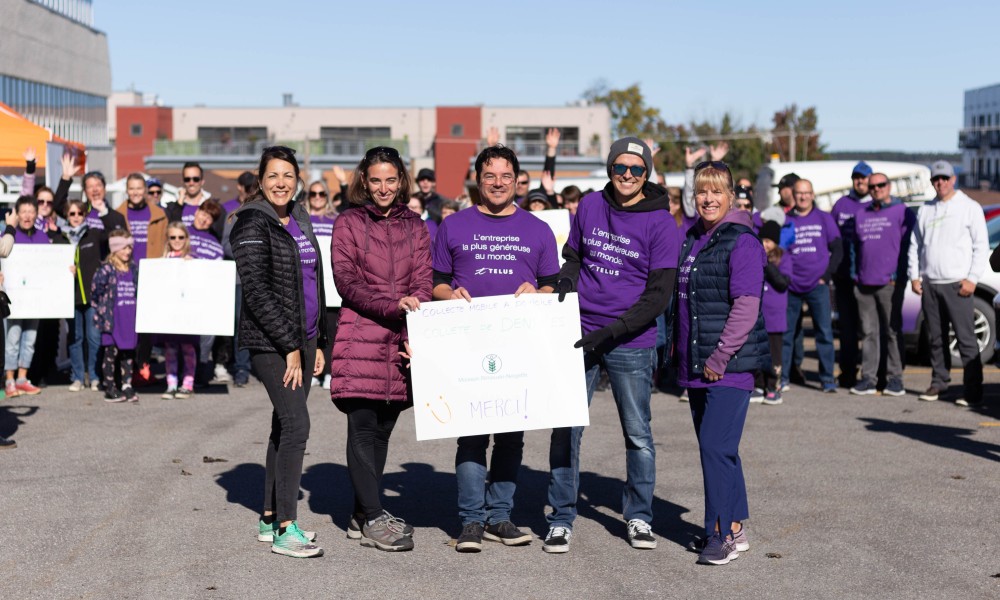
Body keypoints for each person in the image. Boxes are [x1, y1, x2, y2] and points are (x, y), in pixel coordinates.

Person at [547, 138, 678, 553]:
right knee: (567, 428)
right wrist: (567, 280)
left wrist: (612, 332)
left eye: (636, 169)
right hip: (579, 332)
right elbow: (574, 255)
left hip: (631, 340)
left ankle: (639, 516)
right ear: (609, 167)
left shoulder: (661, 224)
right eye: (619, 167)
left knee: (638, 433)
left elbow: (658, 297)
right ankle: (561, 516)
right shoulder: (589, 205)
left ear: (647, 174)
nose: (626, 175)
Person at [433, 144, 559, 553]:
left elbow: (553, 285)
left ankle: (499, 517)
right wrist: (449, 294)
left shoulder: (537, 229)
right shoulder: (453, 226)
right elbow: (435, 282)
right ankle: (471, 521)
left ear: (518, 180)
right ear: (478, 179)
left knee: (510, 436)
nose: (498, 183)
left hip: (518, 347)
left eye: (506, 176)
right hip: (467, 344)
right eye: (490, 176)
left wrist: (536, 290)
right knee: (471, 435)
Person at [329, 146, 430, 552]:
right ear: (364, 182)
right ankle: (372, 517)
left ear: (401, 180)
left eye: (391, 179)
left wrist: (414, 315)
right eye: (376, 180)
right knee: (362, 426)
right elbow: (346, 283)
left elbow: (424, 278)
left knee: (385, 430)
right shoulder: (348, 222)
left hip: (400, 341)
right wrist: (393, 305)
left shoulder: (417, 226)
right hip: (360, 337)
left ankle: (359, 512)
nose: (384, 187)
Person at [231, 145, 327, 558]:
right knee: (297, 426)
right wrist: (290, 347)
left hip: (304, 340)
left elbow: (313, 283)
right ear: (260, 178)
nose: (281, 183)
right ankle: (288, 528)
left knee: (283, 426)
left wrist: (317, 341)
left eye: (288, 175)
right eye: (273, 175)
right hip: (271, 343)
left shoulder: (299, 219)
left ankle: (270, 517)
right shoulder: (251, 222)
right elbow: (256, 292)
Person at [670, 161, 768, 566]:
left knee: (714, 446)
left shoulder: (741, 241)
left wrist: (720, 356)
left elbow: (746, 305)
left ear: (731, 196)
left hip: (728, 365)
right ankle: (737, 526)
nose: (707, 199)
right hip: (696, 364)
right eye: (701, 192)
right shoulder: (691, 238)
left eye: (716, 192)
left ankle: (720, 533)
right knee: (721, 449)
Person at [907, 161, 988, 406]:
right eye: (935, 179)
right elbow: (915, 245)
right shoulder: (926, 209)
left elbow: (980, 246)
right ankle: (939, 382)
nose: (939, 183)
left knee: (965, 338)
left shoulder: (969, 207)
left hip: (957, 284)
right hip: (931, 283)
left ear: (953, 179)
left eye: (944, 178)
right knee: (935, 338)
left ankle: (972, 391)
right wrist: (915, 275)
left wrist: (972, 278)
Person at [850, 173, 914, 397]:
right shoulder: (861, 213)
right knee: (868, 333)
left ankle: (895, 379)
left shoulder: (902, 211)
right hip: (864, 282)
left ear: (889, 186)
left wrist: (900, 275)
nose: (877, 189)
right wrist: (854, 274)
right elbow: (853, 248)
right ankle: (868, 378)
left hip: (890, 282)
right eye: (873, 186)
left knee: (892, 332)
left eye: (881, 185)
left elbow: (909, 247)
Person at [782, 179, 841, 393]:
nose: (803, 197)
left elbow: (837, 248)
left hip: (818, 286)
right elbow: (781, 252)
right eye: (799, 193)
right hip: (792, 286)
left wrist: (826, 276)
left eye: (807, 193)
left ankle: (827, 379)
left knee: (824, 333)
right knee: (787, 334)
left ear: (813, 194)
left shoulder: (824, 219)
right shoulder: (787, 221)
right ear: (793, 195)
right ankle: (783, 378)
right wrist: (785, 277)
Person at [5, 196, 52, 397]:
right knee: (13, 338)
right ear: (17, 214)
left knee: (30, 339)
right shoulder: (8, 235)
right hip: (14, 297)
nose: (27, 215)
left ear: (36, 214)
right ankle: (9, 381)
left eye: (31, 211)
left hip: (35, 299)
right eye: (23, 211)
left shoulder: (43, 237)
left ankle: (23, 378)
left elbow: (52, 264)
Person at [830, 161, 872, 388]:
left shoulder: (875, 205)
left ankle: (871, 374)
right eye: (857, 177)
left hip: (867, 278)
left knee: (868, 328)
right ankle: (847, 372)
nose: (860, 181)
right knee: (847, 328)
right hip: (844, 276)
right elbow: (832, 240)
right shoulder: (841, 205)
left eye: (864, 178)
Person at [62, 198, 107, 392]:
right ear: (66, 216)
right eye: (72, 214)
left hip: (92, 295)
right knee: (75, 338)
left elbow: (113, 234)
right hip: (70, 297)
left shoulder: (94, 235)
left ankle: (95, 376)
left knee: (94, 337)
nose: (76, 217)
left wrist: (103, 212)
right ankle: (78, 377)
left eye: (80, 213)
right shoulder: (61, 238)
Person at [91, 230, 140, 403]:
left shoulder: (134, 269)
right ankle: (110, 386)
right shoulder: (106, 270)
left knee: (128, 353)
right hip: (113, 320)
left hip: (129, 318)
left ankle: (127, 384)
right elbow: (95, 292)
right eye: (124, 248)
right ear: (115, 249)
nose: (128, 252)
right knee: (111, 353)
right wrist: (103, 313)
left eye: (130, 248)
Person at [159, 222, 199, 399]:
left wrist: (193, 265)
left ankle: (188, 384)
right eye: (172, 237)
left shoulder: (193, 258)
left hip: (187, 312)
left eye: (180, 237)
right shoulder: (164, 259)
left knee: (188, 348)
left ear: (186, 239)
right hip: (169, 312)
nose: (176, 241)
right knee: (170, 349)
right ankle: (171, 384)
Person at [305, 179, 339, 388]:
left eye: (321, 194)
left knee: (330, 330)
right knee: (310, 328)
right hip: (308, 282)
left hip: (332, 286)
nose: (317, 198)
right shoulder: (301, 218)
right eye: (313, 194)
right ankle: (312, 371)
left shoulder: (336, 219)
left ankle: (329, 372)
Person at [758, 221, 793, 406]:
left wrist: (767, 264)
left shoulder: (783, 258)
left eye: (769, 241)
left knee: (774, 354)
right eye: (762, 240)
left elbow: (782, 282)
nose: (765, 244)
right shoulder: (754, 256)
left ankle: (774, 386)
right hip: (758, 315)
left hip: (775, 316)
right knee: (757, 353)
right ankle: (758, 384)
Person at [53, 155, 128, 233]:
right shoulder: (78, 212)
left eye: (98, 185)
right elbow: (58, 205)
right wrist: (66, 177)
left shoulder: (117, 217)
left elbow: (122, 240)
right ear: (85, 191)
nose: (95, 189)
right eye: (90, 186)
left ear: (105, 189)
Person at [166, 161, 225, 240]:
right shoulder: (171, 208)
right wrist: (179, 205)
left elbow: (220, 237)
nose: (191, 183)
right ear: (182, 181)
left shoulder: (215, 209)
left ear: (202, 181)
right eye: (187, 179)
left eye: (196, 179)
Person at [116, 173, 168, 262]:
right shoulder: (118, 215)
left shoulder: (160, 215)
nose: (135, 193)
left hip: (152, 266)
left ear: (145, 190)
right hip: (126, 267)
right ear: (126, 191)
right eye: (131, 189)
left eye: (139, 188)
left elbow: (166, 244)